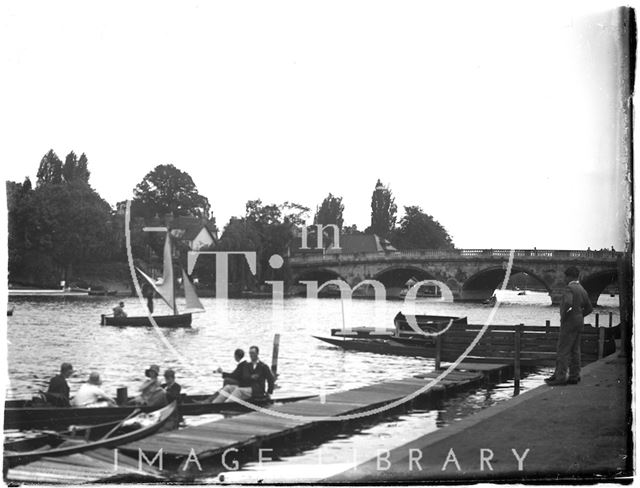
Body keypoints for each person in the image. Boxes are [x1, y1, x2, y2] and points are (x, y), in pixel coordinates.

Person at [545, 266, 594, 386]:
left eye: (566, 276)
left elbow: (567, 303)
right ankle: (574, 376)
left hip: (569, 324)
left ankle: (560, 377)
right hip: (578, 323)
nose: (565, 279)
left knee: (563, 350)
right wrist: (579, 315)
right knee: (575, 350)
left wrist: (565, 316)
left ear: (570, 276)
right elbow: (589, 308)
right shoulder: (582, 289)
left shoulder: (569, 288)